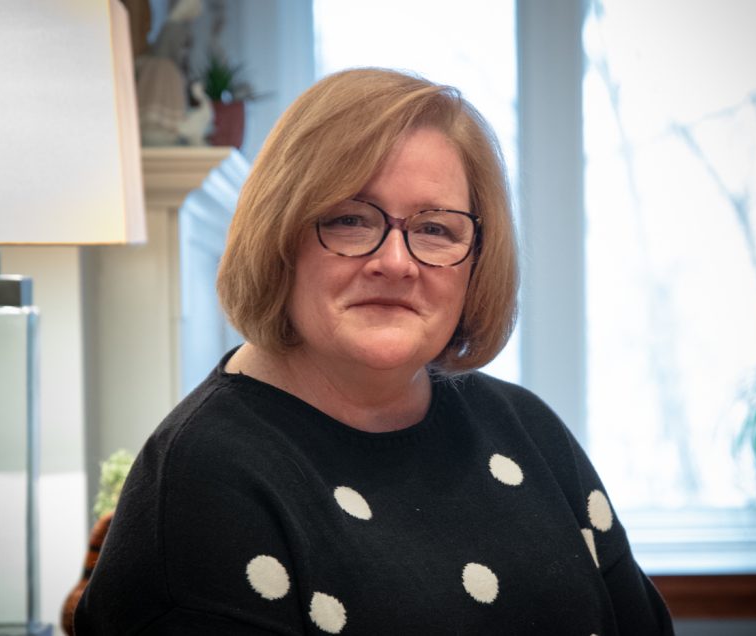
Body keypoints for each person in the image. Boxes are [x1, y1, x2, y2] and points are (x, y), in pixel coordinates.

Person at [75, 67, 673, 635]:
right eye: (351, 220)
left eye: (436, 228)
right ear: (280, 237)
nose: (395, 262)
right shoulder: (204, 480)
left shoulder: (527, 431)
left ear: (477, 262)